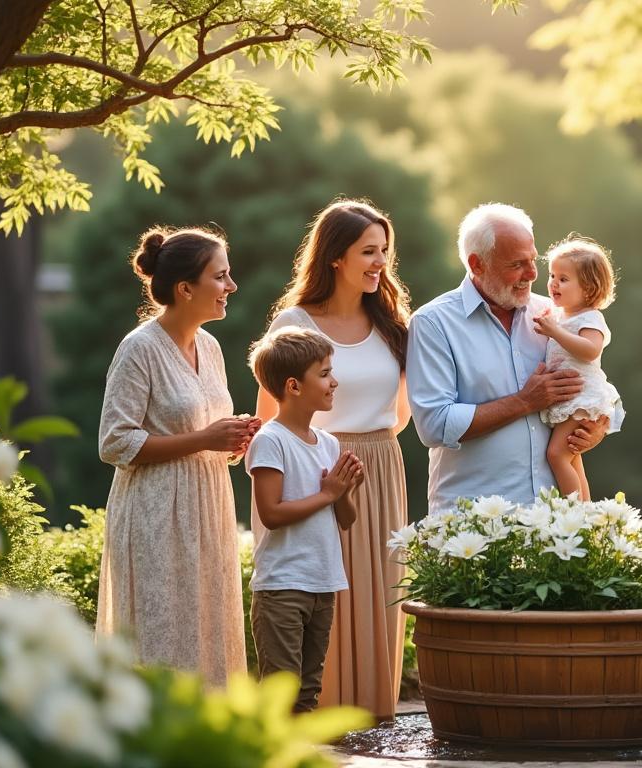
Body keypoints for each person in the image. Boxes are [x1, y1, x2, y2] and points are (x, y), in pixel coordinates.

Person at [256, 199, 409, 719]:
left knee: (376, 595)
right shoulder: (295, 321)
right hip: (313, 469)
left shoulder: (390, 321)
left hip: (381, 466)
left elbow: (403, 411)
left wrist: (371, 448)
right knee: (317, 596)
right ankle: (315, 717)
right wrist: (323, 463)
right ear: (334, 257)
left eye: (384, 252)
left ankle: (372, 712)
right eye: (368, 251)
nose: (379, 263)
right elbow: (271, 415)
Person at [97, 226, 259, 685]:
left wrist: (232, 439)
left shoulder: (210, 346)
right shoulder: (138, 350)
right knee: (160, 632)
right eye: (221, 277)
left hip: (208, 507)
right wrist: (205, 438)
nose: (231, 286)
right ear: (186, 289)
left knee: (207, 624)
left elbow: (204, 431)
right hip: (155, 512)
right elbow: (115, 442)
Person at [408, 203, 611, 511]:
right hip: (472, 518)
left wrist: (593, 429)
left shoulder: (554, 315)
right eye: (517, 264)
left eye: (533, 260)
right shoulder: (434, 323)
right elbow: (435, 424)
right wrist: (524, 402)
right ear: (477, 264)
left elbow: (589, 381)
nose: (531, 274)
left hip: (553, 518)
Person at [246, 326, 365, 713]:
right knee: (281, 693)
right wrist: (327, 493)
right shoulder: (271, 440)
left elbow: (344, 519)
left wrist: (344, 490)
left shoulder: (328, 443)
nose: (334, 382)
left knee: (308, 693)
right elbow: (272, 513)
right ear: (294, 386)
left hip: (322, 582)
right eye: (325, 373)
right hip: (282, 585)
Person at [533, 237, 624, 500]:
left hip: (583, 396)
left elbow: (590, 349)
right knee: (572, 459)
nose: (553, 283)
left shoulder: (590, 317)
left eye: (564, 279)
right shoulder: (561, 315)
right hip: (571, 397)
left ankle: (576, 512)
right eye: (552, 275)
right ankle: (587, 511)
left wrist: (555, 332)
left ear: (588, 288)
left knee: (556, 454)